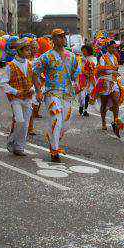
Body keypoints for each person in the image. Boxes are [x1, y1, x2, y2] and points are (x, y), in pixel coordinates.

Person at [31, 29, 81, 162]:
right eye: (59, 37)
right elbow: (35, 72)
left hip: (67, 94)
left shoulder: (71, 56)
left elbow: (76, 73)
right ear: (53, 40)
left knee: (65, 124)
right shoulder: (46, 56)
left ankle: (53, 138)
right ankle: (54, 150)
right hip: (52, 92)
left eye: (64, 36)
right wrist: (38, 91)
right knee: (56, 119)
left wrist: (77, 84)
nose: (62, 39)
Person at [0, 38, 36, 156]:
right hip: (16, 99)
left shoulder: (30, 64)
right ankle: (11, 139)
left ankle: (19, 147)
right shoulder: (11, 65)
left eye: (29, 50)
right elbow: (2, 83)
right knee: (19, 120)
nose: (29, 52)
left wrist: (33, 89)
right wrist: (15, 91)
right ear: (19, 50)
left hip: (28, 98)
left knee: (25, 124)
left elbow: (34, 80)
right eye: (26, 50)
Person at [91, 39, 124, 138]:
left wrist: (115, 73)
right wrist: (112, 72)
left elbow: (115, 68)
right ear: (108, 47)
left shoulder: (115, 57)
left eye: (115, 47)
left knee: (116, 101)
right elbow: (100, 70)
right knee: (104, 103)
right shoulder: (103, 57)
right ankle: (103, 121)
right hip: (105, 82)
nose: (114, 49)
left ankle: (115, 120)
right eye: (112, 47)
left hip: (113, 82)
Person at [77, 44, 97, 117]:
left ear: (88, 51)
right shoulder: (81, 59)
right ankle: (81, 106)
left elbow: (94, 67)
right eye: (82, 51)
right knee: (81, 95)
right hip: (83, 79)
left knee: (88, 95)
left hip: (91, 79)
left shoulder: (93, 58)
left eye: (84, 51)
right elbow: (79, 68)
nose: (83, 52)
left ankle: (86, 110)